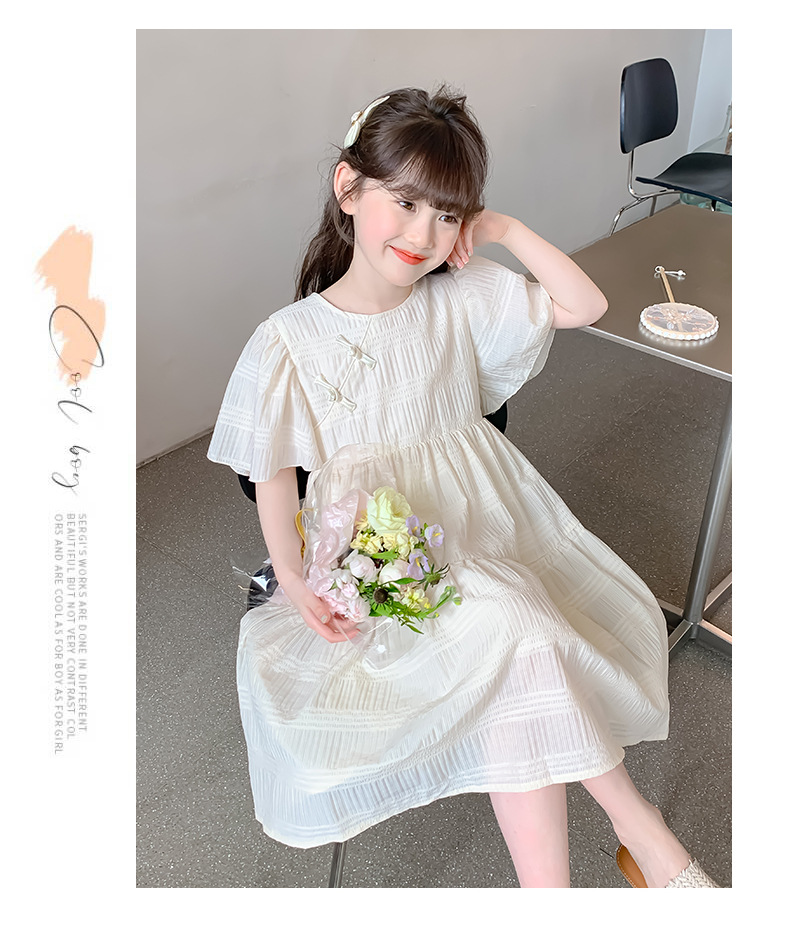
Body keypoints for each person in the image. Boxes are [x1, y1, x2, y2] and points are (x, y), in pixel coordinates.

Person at [207, 86, 719, 888]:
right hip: (381, 545)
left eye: (447, 214)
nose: (423, 235)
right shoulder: (289, 340)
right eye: (406, 202)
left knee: (520, 645)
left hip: (488, 519)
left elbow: (585, 303)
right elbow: (269, 470)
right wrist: (297, 578)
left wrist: (503, 228)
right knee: (522, 633)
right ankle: (644, 837)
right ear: (349, 188)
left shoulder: (462, 293)